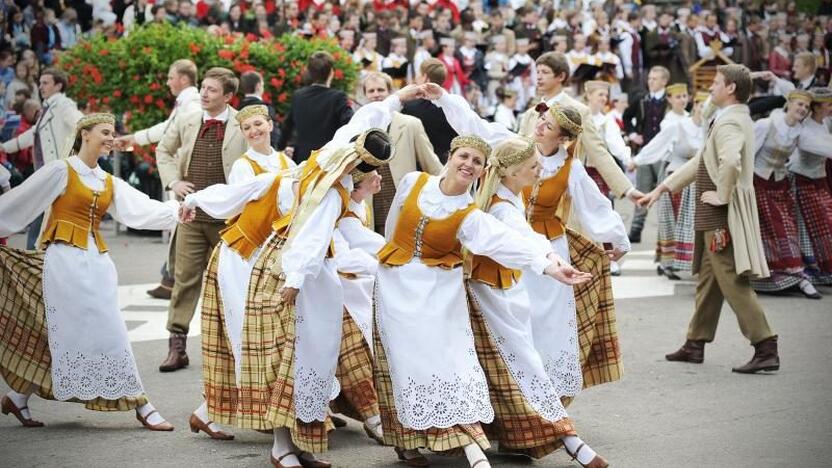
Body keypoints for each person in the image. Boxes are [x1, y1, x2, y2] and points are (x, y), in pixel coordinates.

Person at [371, 133, 588, 468]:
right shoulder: (414, 182)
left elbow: (507, 242)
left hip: (439, 293)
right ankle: (407, 442)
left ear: (484, 170)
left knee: (446, 366)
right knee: (400, 366)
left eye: (476, 162)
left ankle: (469, 447)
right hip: (395, 287)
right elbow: (392, 226)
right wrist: (389, 261)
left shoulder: (470, 215)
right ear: (450, 155)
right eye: (464, 157)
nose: (468, 165)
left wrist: (548, 264)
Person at [431, 87, 629, 408]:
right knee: (516, 319)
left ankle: (545, 394)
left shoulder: (570, 168)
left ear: (562, 138)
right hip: (508, 246)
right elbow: (476, 126)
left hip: (550, 247)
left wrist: (617, 240)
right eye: (541, 118)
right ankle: (517, 391)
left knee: (547, 322)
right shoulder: (516, 147)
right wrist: (444, 98)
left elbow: (596, 205)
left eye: (548, 125)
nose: (539, 125)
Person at [0, 113, 178, 431]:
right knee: (109, 330)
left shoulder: (108, 181)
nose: (111, 137)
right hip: (64, 262)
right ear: (85, 134)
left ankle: (18, 396)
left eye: (113, 132)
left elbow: (142, 209)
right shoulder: (60, 170)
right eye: (105, 132)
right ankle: (142, 404)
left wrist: (181, 210)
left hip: (97, 263)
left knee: (67, 332)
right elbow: (20, 202)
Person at [244, 122, 393, 467]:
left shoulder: (325, 160)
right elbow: (314, 233)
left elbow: (356, 125)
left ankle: (300, 444)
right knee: (291, 358)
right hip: (297, 267)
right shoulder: (334, 185)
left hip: (300, 264)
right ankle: (282, 446)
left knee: (310, 359)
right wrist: (295, 279)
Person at [466, 136, 608, 467]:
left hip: (502, 292)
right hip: (492, 296)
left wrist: (550, 261)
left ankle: (518, 438)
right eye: (532, 166)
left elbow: (527, 241)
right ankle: (570, 440)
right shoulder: (501, 208)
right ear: (512, 174)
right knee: (525, 367)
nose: (540, 168)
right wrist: (550, 263)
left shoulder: (505, 196)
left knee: (506, 370)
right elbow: (523, 239)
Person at [640, 64, 780, 375]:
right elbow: (702, 159)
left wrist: (722, 195)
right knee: (709, 280)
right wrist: (664, 187)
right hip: (713, 213)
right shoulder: (732, 116)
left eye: (716, 83)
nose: (711, 88)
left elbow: (730, 159)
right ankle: (695, 343)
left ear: (730, 89)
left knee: (730, 278)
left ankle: (765, 344)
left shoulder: (730, 121)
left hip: (719, 213)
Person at [174, 105, 296, 441]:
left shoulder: (289, 163)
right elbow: (234, 198)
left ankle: (214, 412)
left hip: (273, 258)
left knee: (271, 335)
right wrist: (196, 199)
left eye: (259, 124)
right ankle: (222, 411)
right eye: (247, 128)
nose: (254, 131)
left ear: (270, 125)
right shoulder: (244, 167)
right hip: (244, 256)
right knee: (246, 335)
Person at [155, 67, 247, 373]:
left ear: (229, 96)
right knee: (185, 280)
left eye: (211, 90)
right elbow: (163, 151)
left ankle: (235, 349)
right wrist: (174, 183)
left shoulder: (242, 124)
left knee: (231, 283)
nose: (204, 94)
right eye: (203, 88)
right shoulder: (188, 118)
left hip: (229, 219)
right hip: (191, 215)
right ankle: (176, 347)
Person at [114, 59, 201, 300]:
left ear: (183, 79)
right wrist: (134, 138)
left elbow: (172, 133)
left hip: (185, 173)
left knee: (184, 226)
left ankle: (171, 279)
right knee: (182, 227)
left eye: (171, 77)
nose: (168, 82)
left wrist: (133, 139)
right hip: (181, 173)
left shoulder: (191, 103)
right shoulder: (187, 102)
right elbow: (167, 128)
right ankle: (169, 278)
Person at [749, 91, 828, 299]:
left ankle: (793, 275)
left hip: (780, 184)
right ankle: (781, 275)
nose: (802, 109)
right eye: (799, 104)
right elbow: (748, 154)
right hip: (758, 181)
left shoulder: (800, 131)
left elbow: (820, 146)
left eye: (806, 107)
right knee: (770, 229)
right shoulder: (767, 124)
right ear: (790, 104)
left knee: (787, 229)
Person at [329, 169, 386, 444]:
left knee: (365, 350)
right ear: (354, 186)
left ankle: (327, 409)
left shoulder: (358, 205)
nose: (379, 180)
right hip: (334, 293)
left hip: (354, 290)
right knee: (355, 353)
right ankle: (372, 415)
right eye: (372, 178)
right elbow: (342, 257)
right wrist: (384, 264)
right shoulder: (339, 212)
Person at [2, 68, 83, 250]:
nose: (40, 87)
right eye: (40, 83)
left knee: (42, 217)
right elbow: (32, 134)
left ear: (58, 85)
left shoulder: (63, 104)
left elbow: (80, 123)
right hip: (48, 172)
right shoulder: (48, 106)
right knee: (41, 217)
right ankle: (39, 259)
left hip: (57, 173)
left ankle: (36, 260)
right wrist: (5, 147)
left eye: (45, 83)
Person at [630, 84, 705, 279]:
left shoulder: (707, 128)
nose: (682, 100)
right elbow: (657, 146)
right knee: (670, 222)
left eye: (684, 96)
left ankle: (688, 260)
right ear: (696, 105)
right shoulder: (674, 124)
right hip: (673, 176)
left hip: (694, 181)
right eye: (702, 105)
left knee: (690, 223)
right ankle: (667, 262)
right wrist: (636, 161)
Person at [361, 72, 443, 234]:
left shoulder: (411, 124)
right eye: (371, 91)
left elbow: (432, 166)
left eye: (380, 90)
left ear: (391, 92)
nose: (376, 95)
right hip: (371, 214)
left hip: (404, 209)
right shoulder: (359, 128)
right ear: (365, 95)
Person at [277, 51, 354, 163]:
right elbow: (350, 124)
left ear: (309, 72)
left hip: (303, 159)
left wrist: (280, 147)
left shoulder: (298, 96)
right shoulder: (338, 97)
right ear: (331, 73)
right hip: (329, 158)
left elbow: (287, 127)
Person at [790, 88, 832, 287]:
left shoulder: (824, 122)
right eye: (829, 105)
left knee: (826, 224)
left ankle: (824, 269)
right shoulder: (804, 130)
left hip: (819, 181)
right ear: (816, 108)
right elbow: (826, 149)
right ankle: (813, 268)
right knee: (814, 227)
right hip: (803, 180)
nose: (831, 108)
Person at [623, 65, 670, 243]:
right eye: (650, 78)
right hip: (645, 151)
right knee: (641, 191)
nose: (651, 82)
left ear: (664, 81)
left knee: (664, 192)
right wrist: (633, 134)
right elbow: (627, 117)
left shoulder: (670, 99)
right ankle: (636, 229)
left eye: (655, 79)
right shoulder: (642, 99)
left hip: (664, 154)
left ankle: (665, 232)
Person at [400, 58, 458, 163]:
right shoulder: (455, 106)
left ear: (425, 77)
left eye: (418, 73)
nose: (415, 77)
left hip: (420, 164)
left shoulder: (410, 107)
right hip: (447, 162)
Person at [238, 70, 281, 148]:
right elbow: (274, 135)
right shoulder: (265, 108)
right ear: (258, 86)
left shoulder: (238, 109)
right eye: (262, 85)